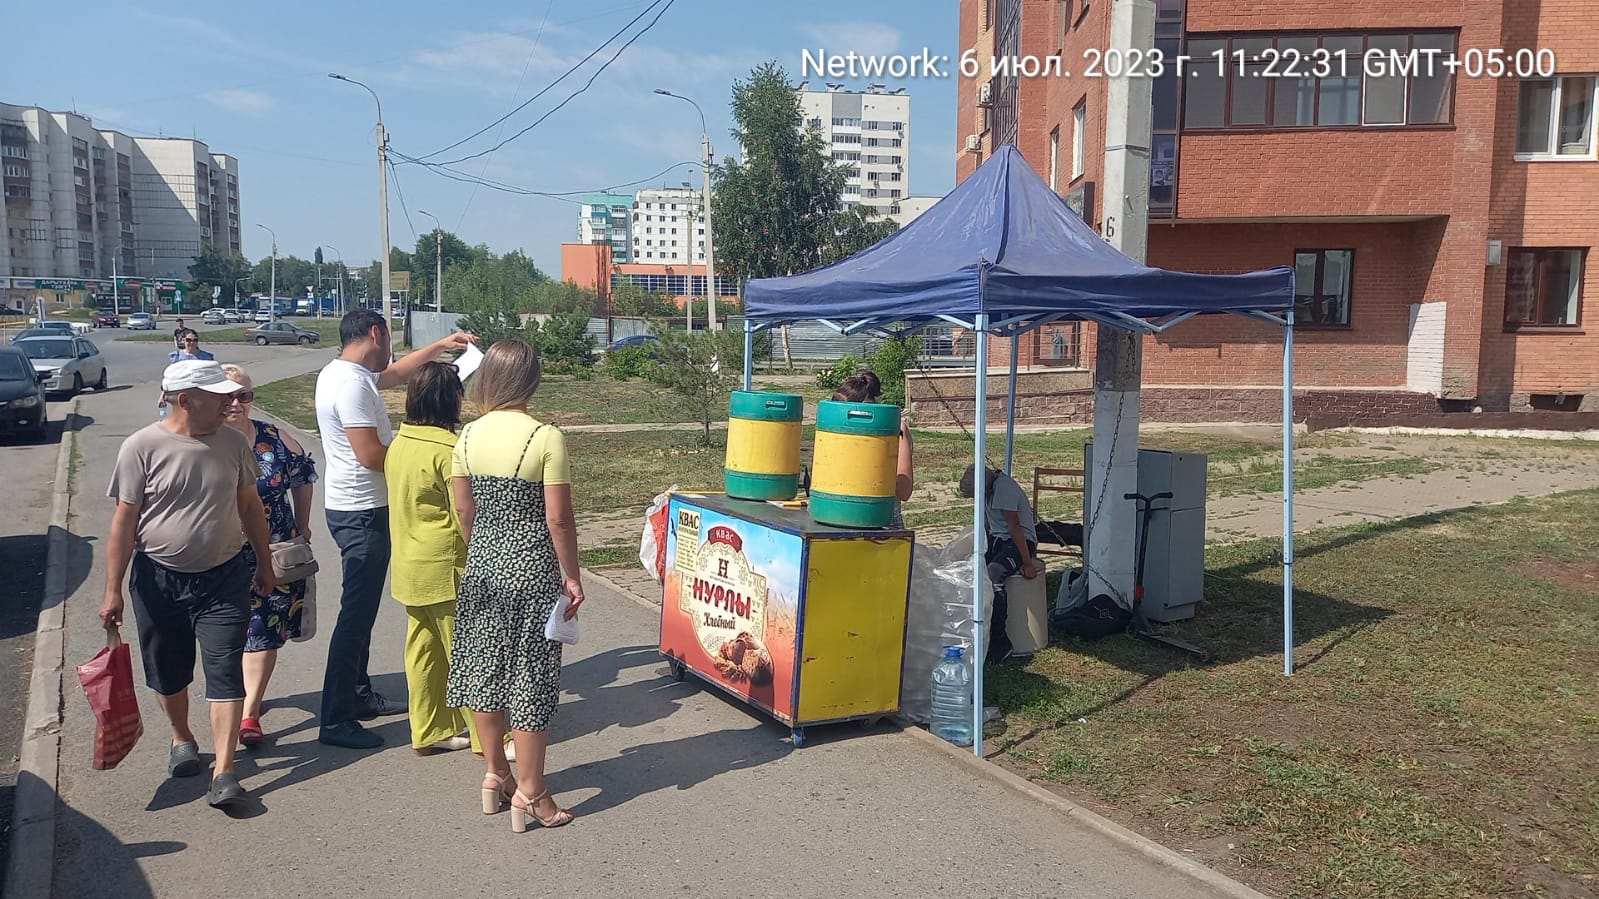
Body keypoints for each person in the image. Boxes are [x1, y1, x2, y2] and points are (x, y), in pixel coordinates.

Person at [97, 360, 275, 810]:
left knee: (224, 669)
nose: (229, 403)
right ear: (185, 400)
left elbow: (250, 506)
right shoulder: (142, 446)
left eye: (232, 395)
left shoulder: (234, 444)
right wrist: (112, 589)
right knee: (168, 671)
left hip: (224, 577)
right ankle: (182, 738)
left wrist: (264, 561)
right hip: (158, 580)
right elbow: (124, 522)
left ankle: (225, 771)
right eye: (218, 396)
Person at [313, 309, 476, 749]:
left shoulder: (346, 372)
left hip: (356, 506)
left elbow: (395, 372)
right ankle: (336, 716)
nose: (391, 354)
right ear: (376, 333)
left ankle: (358, 694)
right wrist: (419, 454)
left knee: (366, 615)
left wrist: (442, 346)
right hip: (360, 512)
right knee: (356, 616)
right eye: (389, 340)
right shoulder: (350, 385)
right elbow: (371, 455)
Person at [449, 337, 579, 833]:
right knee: (531, 677)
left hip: (482, 566)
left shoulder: (466, 436)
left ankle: (494, 774)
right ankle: (533, 791)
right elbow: (559, 519)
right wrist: (572, 576)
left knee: (485, 670)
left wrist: (484, 544)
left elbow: (464, 510)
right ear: (531, 379)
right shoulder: (545, 437)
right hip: (532, 570)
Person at [384, 361, 480, 756]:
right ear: (450, 400)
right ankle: (488, 735)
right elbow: (463, 513)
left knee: (423, 652)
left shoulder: (399, 444)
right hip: (446, 565)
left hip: (409, 565)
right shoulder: (449, 449)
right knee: (469, 652)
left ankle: (429, 728)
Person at [219, 364, 317, 747]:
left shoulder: (273, 438)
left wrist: (303, 527)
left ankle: (249, 713)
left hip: (275, 550)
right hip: (221, 552)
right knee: (228, 632)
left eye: (244, 395)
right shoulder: (204, 440)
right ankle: (230, 698)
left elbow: (303, 477)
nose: (236, 403)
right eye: (228, 396)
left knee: (264, 628)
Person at [958, 462, 1040, 664]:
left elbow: (1015, 527)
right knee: (974, 568)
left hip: (1019, 542)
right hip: (1000, 540)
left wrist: (1027, 561)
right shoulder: (989, 489)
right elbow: (988, 523)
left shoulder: (1004, 488)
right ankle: (977, 633)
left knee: (994, 577)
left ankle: (1000, 641)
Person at [831, 370, 914, 527]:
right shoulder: (834, 432)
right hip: (839, 517)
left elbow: (904, 490)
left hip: (881, 522)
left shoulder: (896, 429)